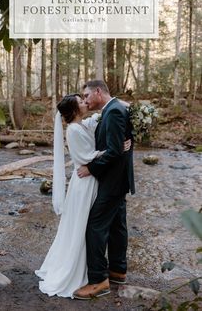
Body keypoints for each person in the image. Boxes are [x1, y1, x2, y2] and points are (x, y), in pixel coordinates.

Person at [35, 93, 131, 298]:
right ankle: (85, 271)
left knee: (101, 223)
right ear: (74, 110)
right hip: (85, 182)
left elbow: (103, 115)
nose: (84, 102)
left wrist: (119, 102)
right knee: (84, 225)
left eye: (84, 98)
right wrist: (117, 149)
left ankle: (108, 270)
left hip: (94, 179)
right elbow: (86, 157)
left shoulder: (83, 123)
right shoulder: (73, 131)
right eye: (80, 101)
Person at [74, 80, 135, 300]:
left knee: (95, 226)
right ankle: (118, 270)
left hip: (113, 181)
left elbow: (114, 151)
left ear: (98, 92)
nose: (86, 100)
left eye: (87, 95)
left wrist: (90, 168)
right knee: (118, 225)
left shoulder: (114, 112)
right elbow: (122, 142)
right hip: (118, 179)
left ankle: (98, 281)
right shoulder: (116, 108)